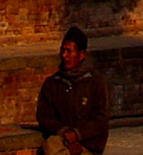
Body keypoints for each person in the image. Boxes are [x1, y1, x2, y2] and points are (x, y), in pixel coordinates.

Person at [35, 27, 109, 155]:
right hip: (62, 141)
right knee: (50, 145)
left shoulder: (95, 83)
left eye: (69, 51)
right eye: (62, 50)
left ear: (81, 55)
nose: (64, 56)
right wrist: (66, 134)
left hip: (88, 145)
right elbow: (45, 117)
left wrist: (77, 135)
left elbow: (100, 120)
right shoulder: (52, 83)